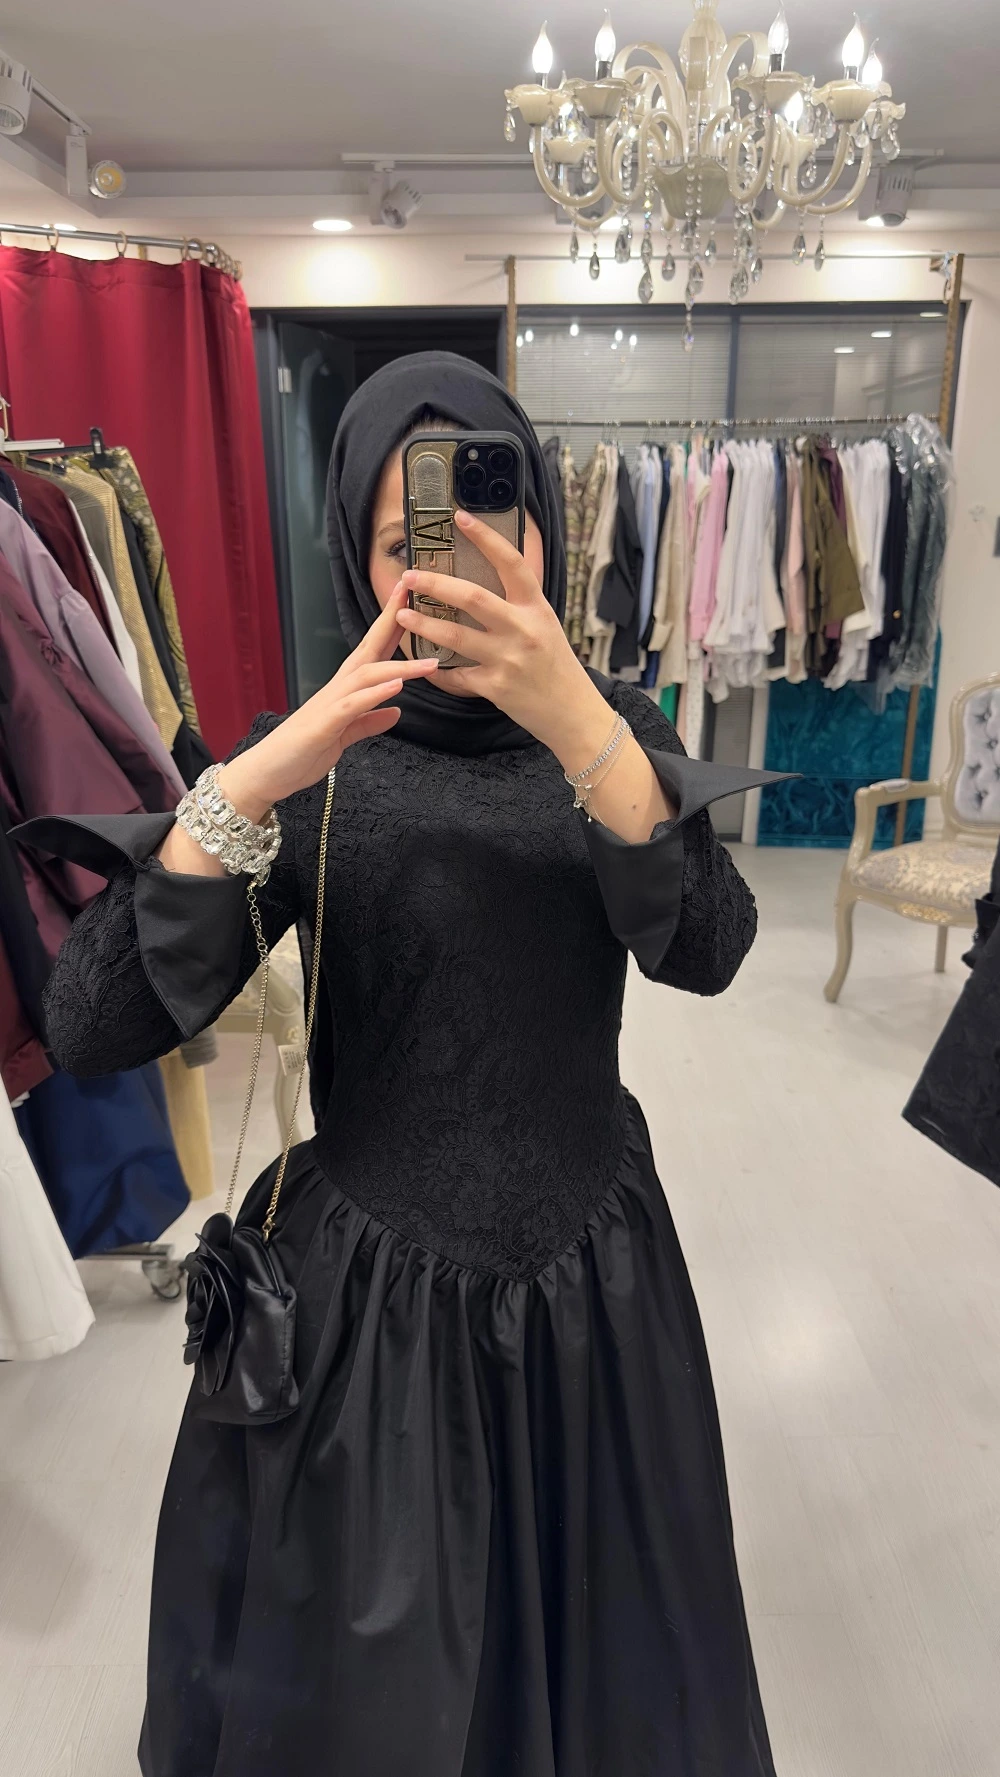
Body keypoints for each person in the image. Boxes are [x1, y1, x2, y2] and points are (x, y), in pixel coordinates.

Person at [21, 354, 780, 1776]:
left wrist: (582, 724)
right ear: (357, 562)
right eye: (410, 537)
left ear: (547, 525)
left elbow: (710, 948)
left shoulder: (617, 734)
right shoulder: (317, 763)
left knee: (606, 1658)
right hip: (369, 1319)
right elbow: (93, 1021)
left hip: (593, 1287)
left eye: (501, 519)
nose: (460, 562)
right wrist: (254, 776)